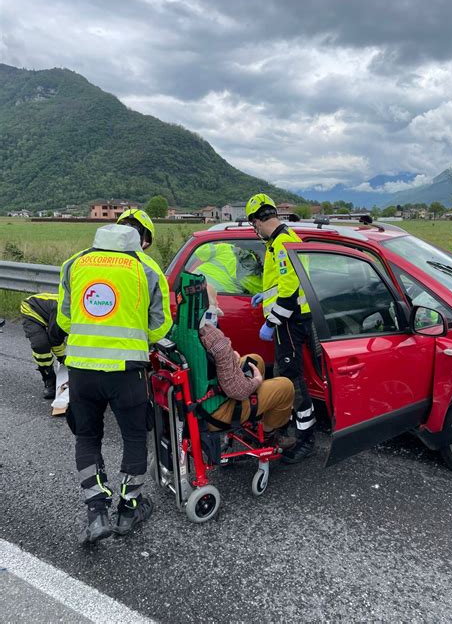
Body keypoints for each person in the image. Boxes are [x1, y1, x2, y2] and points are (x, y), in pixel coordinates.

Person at [57, 212, 172, 544]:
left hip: (81, 371)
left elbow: (65, 320)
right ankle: (128, 509)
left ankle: (96, 512)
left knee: (87, 437)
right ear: (142, 239)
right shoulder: (147, 270)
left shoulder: (74, 264)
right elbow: (160, 327)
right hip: (127, 372)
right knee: (135, 438)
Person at [246, 193, 316, 464]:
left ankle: (305, 439)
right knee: (285, 375)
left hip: (289, 323)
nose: (254, 230)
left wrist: (271, 321)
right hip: (290, 322)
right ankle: (283, 428)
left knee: (292, 381)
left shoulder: (282, 242)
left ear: (258, 220)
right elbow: (285, 282)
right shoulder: (283, 240)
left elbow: (289, 292)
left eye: (253, 224)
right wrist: (265, 295)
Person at [199, 284, 295, 443]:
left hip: (202, 402)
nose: (218, 305)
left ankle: (252, 421)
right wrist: (256, 381)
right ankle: (269, 434)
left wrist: (230, 357)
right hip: (216, 411)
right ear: (207, 308)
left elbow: (209, 363)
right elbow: (238, 391)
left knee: (255, 359)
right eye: (215, 301)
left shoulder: (186, 331)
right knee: (285, 386)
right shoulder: (216, 340)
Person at [20, 293, 67, 399]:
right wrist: (63, 358)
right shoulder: (62, 310)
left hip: (48, 311)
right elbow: (55, 339)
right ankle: (49, 378)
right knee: (41, 345)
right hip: (31, 309)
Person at [192, 242, 263, 295]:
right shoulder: (251, 273)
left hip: (192, 286)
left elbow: (200, 251)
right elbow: (264, 292)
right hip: (220, 298)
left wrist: (217, 244)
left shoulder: (226, 248)